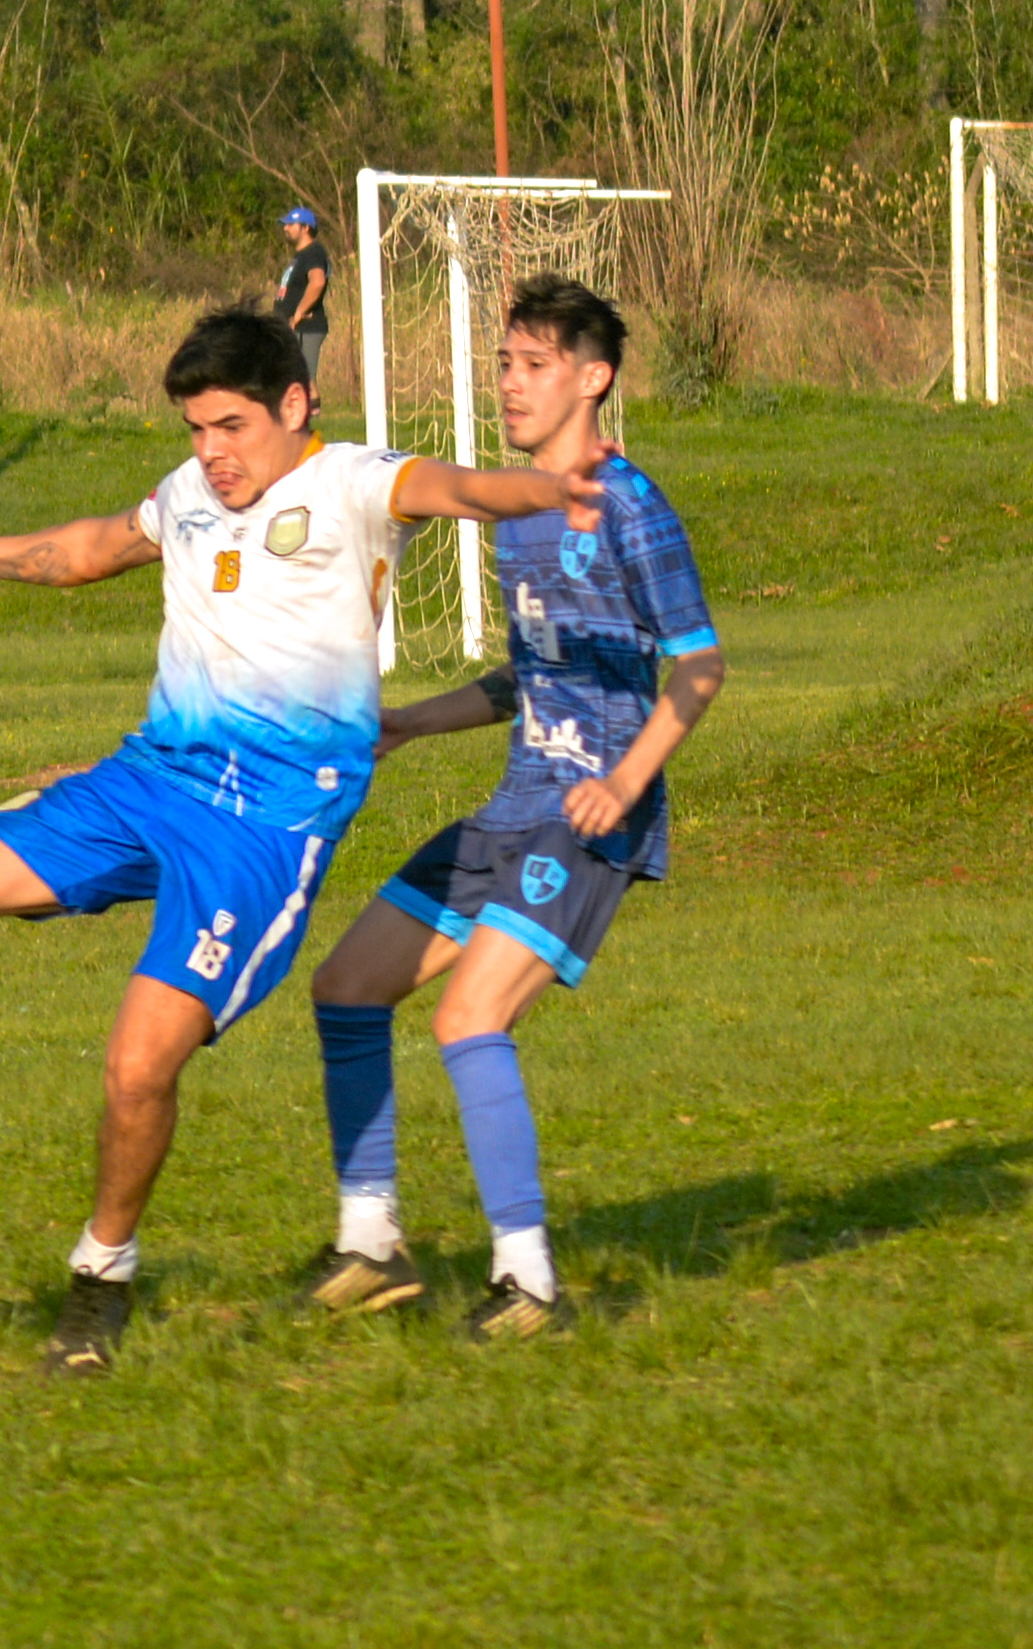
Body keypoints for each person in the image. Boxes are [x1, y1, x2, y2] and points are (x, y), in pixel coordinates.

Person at [0, 306, 604, 1377]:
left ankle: (101, 1279)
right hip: (146, 781)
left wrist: (551, 489)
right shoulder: (189, 494)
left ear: (294, 405)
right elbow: (89, 548)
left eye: (231, 426)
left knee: (136, 1064)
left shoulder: (354, 483)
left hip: (259, 834)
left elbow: (463, 489)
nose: (212, 452)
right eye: (196, 430)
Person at [301, 275, 726, 1342]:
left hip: (587, 821)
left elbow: (699, 666)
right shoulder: (516, 515)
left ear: (594, 378)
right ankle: (371, 1241)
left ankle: (529, 1283)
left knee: (467, 1017)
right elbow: (524, 677)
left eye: (534, 365)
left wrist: (623, 783)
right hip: (511, 806)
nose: (510, 383)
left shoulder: (629, 504)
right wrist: (413, 721)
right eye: (504, 363)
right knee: (347, 986)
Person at [274, 206, 331, 409]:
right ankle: (303, 413)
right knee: (296, 375)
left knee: (304, 376)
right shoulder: (301, 255)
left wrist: (298, 313)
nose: (286, 228)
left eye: (291, 224)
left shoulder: (313, 252)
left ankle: (312, 413)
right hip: (293, 324)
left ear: (305, 228)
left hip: (306, 326)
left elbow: (317, 282)